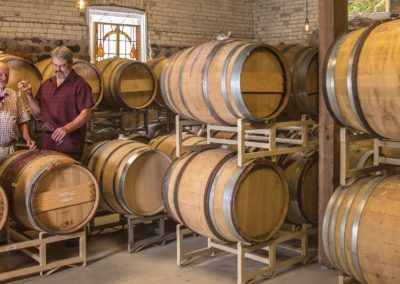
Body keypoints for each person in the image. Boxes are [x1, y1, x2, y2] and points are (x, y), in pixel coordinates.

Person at [18, 46, 94, 161]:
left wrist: (66, 128)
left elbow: (86, 113)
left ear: (70, 64)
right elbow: (38, 112)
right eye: (55, 65)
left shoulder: (79, 85)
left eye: (62, 66)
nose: (58, 69)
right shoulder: (46, 85)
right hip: (47, 145)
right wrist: (29, 94)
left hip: (70, 146)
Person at [0, 61, 36, 163]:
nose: (4, 78)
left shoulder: (14, 95)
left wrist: (28, 139)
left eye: (6, 74)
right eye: (0, 75)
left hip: (10, 148)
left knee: (9, 178)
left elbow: (22, 120)